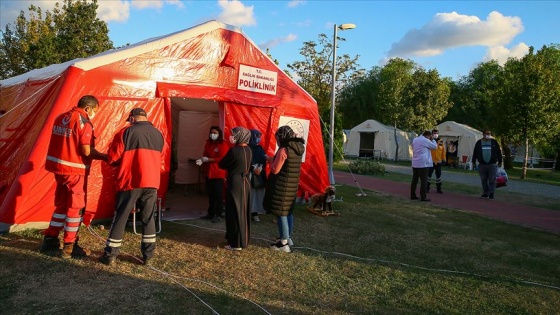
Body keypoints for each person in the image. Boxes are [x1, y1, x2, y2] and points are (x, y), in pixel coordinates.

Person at [39, 95, 107, 259]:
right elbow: (86, 150)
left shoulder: (60, 117)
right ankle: (70, 246)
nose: (94, 114)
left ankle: (50, 239)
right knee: (76, 209)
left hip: (59, 170)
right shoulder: (83, 122)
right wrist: (105, 157)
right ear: (88, 108)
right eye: (95, 111)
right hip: (75, 171)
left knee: (61, 206)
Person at [99, 108, 164, 265]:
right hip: (152, 181)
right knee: (148, 218)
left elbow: (113, 157)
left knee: (121, 216)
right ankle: (148, 256)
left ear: (132, 119)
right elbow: (160, 156)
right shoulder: (159, 134)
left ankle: (110, 255)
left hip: (131, 180)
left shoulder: (126, 132)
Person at [264, 125, 305, 253]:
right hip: (292, 186)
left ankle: (283, 243)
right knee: (289, 212)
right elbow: (288, 163)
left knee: (281, 213)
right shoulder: (298, 148)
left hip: (282, 186)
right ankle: (288, 237)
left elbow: (276, 170)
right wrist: (274, 159)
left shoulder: (283, 149)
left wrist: (270, 162)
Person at [218, 126, 253, 251]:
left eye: (233, 134)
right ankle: (243, 239)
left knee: (234, 211)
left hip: (236, 183)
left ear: (240, 136)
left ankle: (235, 243)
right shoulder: (249, 150)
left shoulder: (234, 151)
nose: (231, 137)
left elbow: (221, 164)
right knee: (243, 211)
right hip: (246, 182)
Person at [196, 126, 229, 223]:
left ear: (219, 134)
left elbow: (223, 158)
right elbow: (205, 154)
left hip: (217, 173)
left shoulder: (222, 144)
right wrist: (202, 160)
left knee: (218, 194)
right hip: (208, 172)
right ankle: (211, 213)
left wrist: (209, 160)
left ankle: (218, 214)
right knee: (210, 194)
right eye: (211, 132)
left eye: (215, 133)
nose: (212, 134)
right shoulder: (208, 143)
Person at [471, 129, 503, 200]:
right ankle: (485, 193)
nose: (488, 135)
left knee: (492, 179)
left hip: (492, 165)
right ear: (483, 134)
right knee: (483, 180)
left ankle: (491, 194)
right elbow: (475, 153)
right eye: (487, 133)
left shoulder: (494, 142)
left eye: (489, 133)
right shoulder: (479, 143)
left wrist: (500, 161)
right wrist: (473, 162)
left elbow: (498, 152)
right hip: (482, 165)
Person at [410, 131, 437, 201]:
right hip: (423, 163)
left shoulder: (415, 139)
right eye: (430, 136)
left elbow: (413, 147)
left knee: (414, 180)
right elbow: (435, 147)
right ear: (428, 136)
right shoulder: (425, 140)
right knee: (424, 181)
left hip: (415, 162)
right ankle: (423, 196)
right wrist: (433, 139)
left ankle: (412, 195)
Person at [248, 129, 267, 222]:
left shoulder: (259, 148)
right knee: (249, 194)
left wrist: (260, 167)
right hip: (249, 174)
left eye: (259, 137)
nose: (258, 139)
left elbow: (263, 159)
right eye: (257, 137)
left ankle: (255, 213)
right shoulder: (246, 148)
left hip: (259, 174)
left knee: (257, 195)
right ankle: (247, 212)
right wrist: (253, 168)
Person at [427, 129, 445, 194]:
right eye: (434, 133)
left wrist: (444, 159)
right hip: (431, 161)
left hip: (439, 162)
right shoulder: (429, 141)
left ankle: (439, 189)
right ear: (432, 134)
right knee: (428, 176)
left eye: (436, 133)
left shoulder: (441, 141)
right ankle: (427, 188)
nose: (435, 134)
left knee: (439, 177)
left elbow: (443, 151)